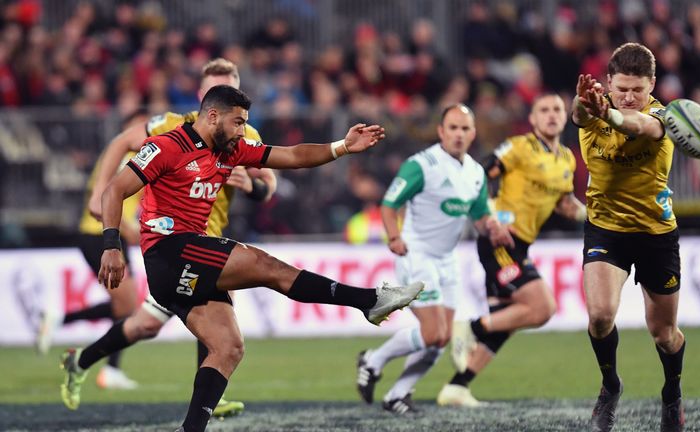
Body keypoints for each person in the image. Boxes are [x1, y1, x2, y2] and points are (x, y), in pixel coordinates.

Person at [61, 84, 423, 432]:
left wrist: (343, 146)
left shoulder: (230, 150)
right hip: (169, 250)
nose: (242, 130)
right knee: (266, 266)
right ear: (213, 116)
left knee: (227, 347)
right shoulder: (167, 145)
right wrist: (111, 245)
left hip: (189, 258)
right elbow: (115, 190)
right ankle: (368, 300)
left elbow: (292, 156)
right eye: (238, 122)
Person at [54, 58, 277, 418]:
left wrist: (253, 187)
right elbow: (121, 141)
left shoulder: (244, 133)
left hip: (212, 240)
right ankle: (205, 400)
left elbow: (270, 184)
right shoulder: (171, 125)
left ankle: (80, 361)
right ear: (204, 97)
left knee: (150, 323)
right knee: (198, 321)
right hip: (174, 245)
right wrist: (99, 192)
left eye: (232, 87)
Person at [355, 104, 512, 414]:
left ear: (473, 134)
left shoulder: (475, 173)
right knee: (433, 333)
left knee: (442, 338)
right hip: (417, 254)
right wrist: (394, 237)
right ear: (441, 131)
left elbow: (479, 218)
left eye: (465, 129)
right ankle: (373, 360)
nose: (458, 134)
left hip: (447, 259)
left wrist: (493, 227)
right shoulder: (421, 165)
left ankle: (398, 394)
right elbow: (389, 204)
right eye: (452, 128)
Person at [439, 94, 586, 407]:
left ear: (566, 116)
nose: (551, 115)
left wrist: (594, 213)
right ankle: (469, 327)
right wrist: (490, 218)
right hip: (500, 240)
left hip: (521, 244)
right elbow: (480, 173)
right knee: (543, 307)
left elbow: (564, 203)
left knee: (506, 322)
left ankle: (457, 387)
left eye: (557, 109)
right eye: (543, 110)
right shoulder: (518, 147)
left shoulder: (567, 159)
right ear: (532, 119)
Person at [572, 43, 685, 432]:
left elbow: (638, 126)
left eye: (637, 89)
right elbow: (579, 113)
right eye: (621, 88)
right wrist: (584, 102)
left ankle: (672, 393)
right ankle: (610, 386)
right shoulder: (593, 107)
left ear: (652, 84)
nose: (629, 96)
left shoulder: (663, 117)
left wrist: (614, 114)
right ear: (608, 82)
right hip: (607, 230)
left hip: (656, 234)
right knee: (600, 317)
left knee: (665, 335)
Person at [34, 109, 147, 392]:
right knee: (128, 308)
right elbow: (107, 200)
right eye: (141, 125)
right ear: (127, 129)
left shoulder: (125, 156)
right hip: (103, 235)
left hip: (105, 234)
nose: (147, 131)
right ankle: (109, 370)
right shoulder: (129, 157)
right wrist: (129, 228)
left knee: (126, 307)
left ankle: (62, 319)